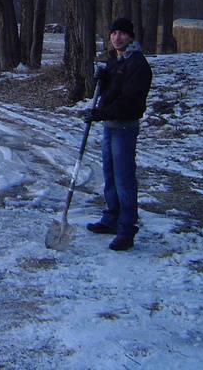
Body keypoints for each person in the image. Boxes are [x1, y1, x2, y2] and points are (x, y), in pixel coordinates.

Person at [83, 17, 152, 251]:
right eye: (113, 33)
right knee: (110, 175)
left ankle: (127, 228)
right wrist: (103, 80)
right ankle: (112, 217)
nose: (117, 37)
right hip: (110, 126)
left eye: (122, 33)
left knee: (124, 179)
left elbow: (129, 102)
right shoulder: (116, 60)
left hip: (124, 127)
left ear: (130, 36)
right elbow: (111, 92)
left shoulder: (137, 64)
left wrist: (101, 113)